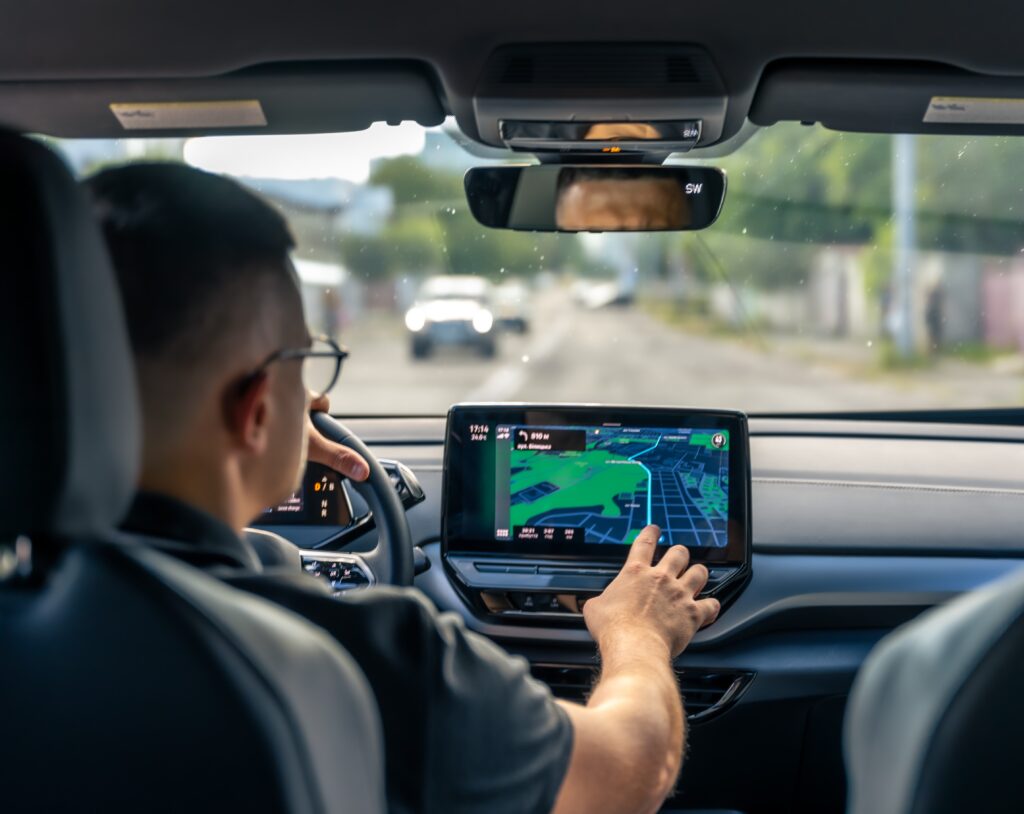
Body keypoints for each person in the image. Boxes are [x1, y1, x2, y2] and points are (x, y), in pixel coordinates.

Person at [87, 163, 720, 814]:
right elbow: (629, 773)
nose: (315, 397)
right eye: (300, 364)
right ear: (255, 411)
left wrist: (243, 450)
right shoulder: (366, 655)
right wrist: (638, 632)